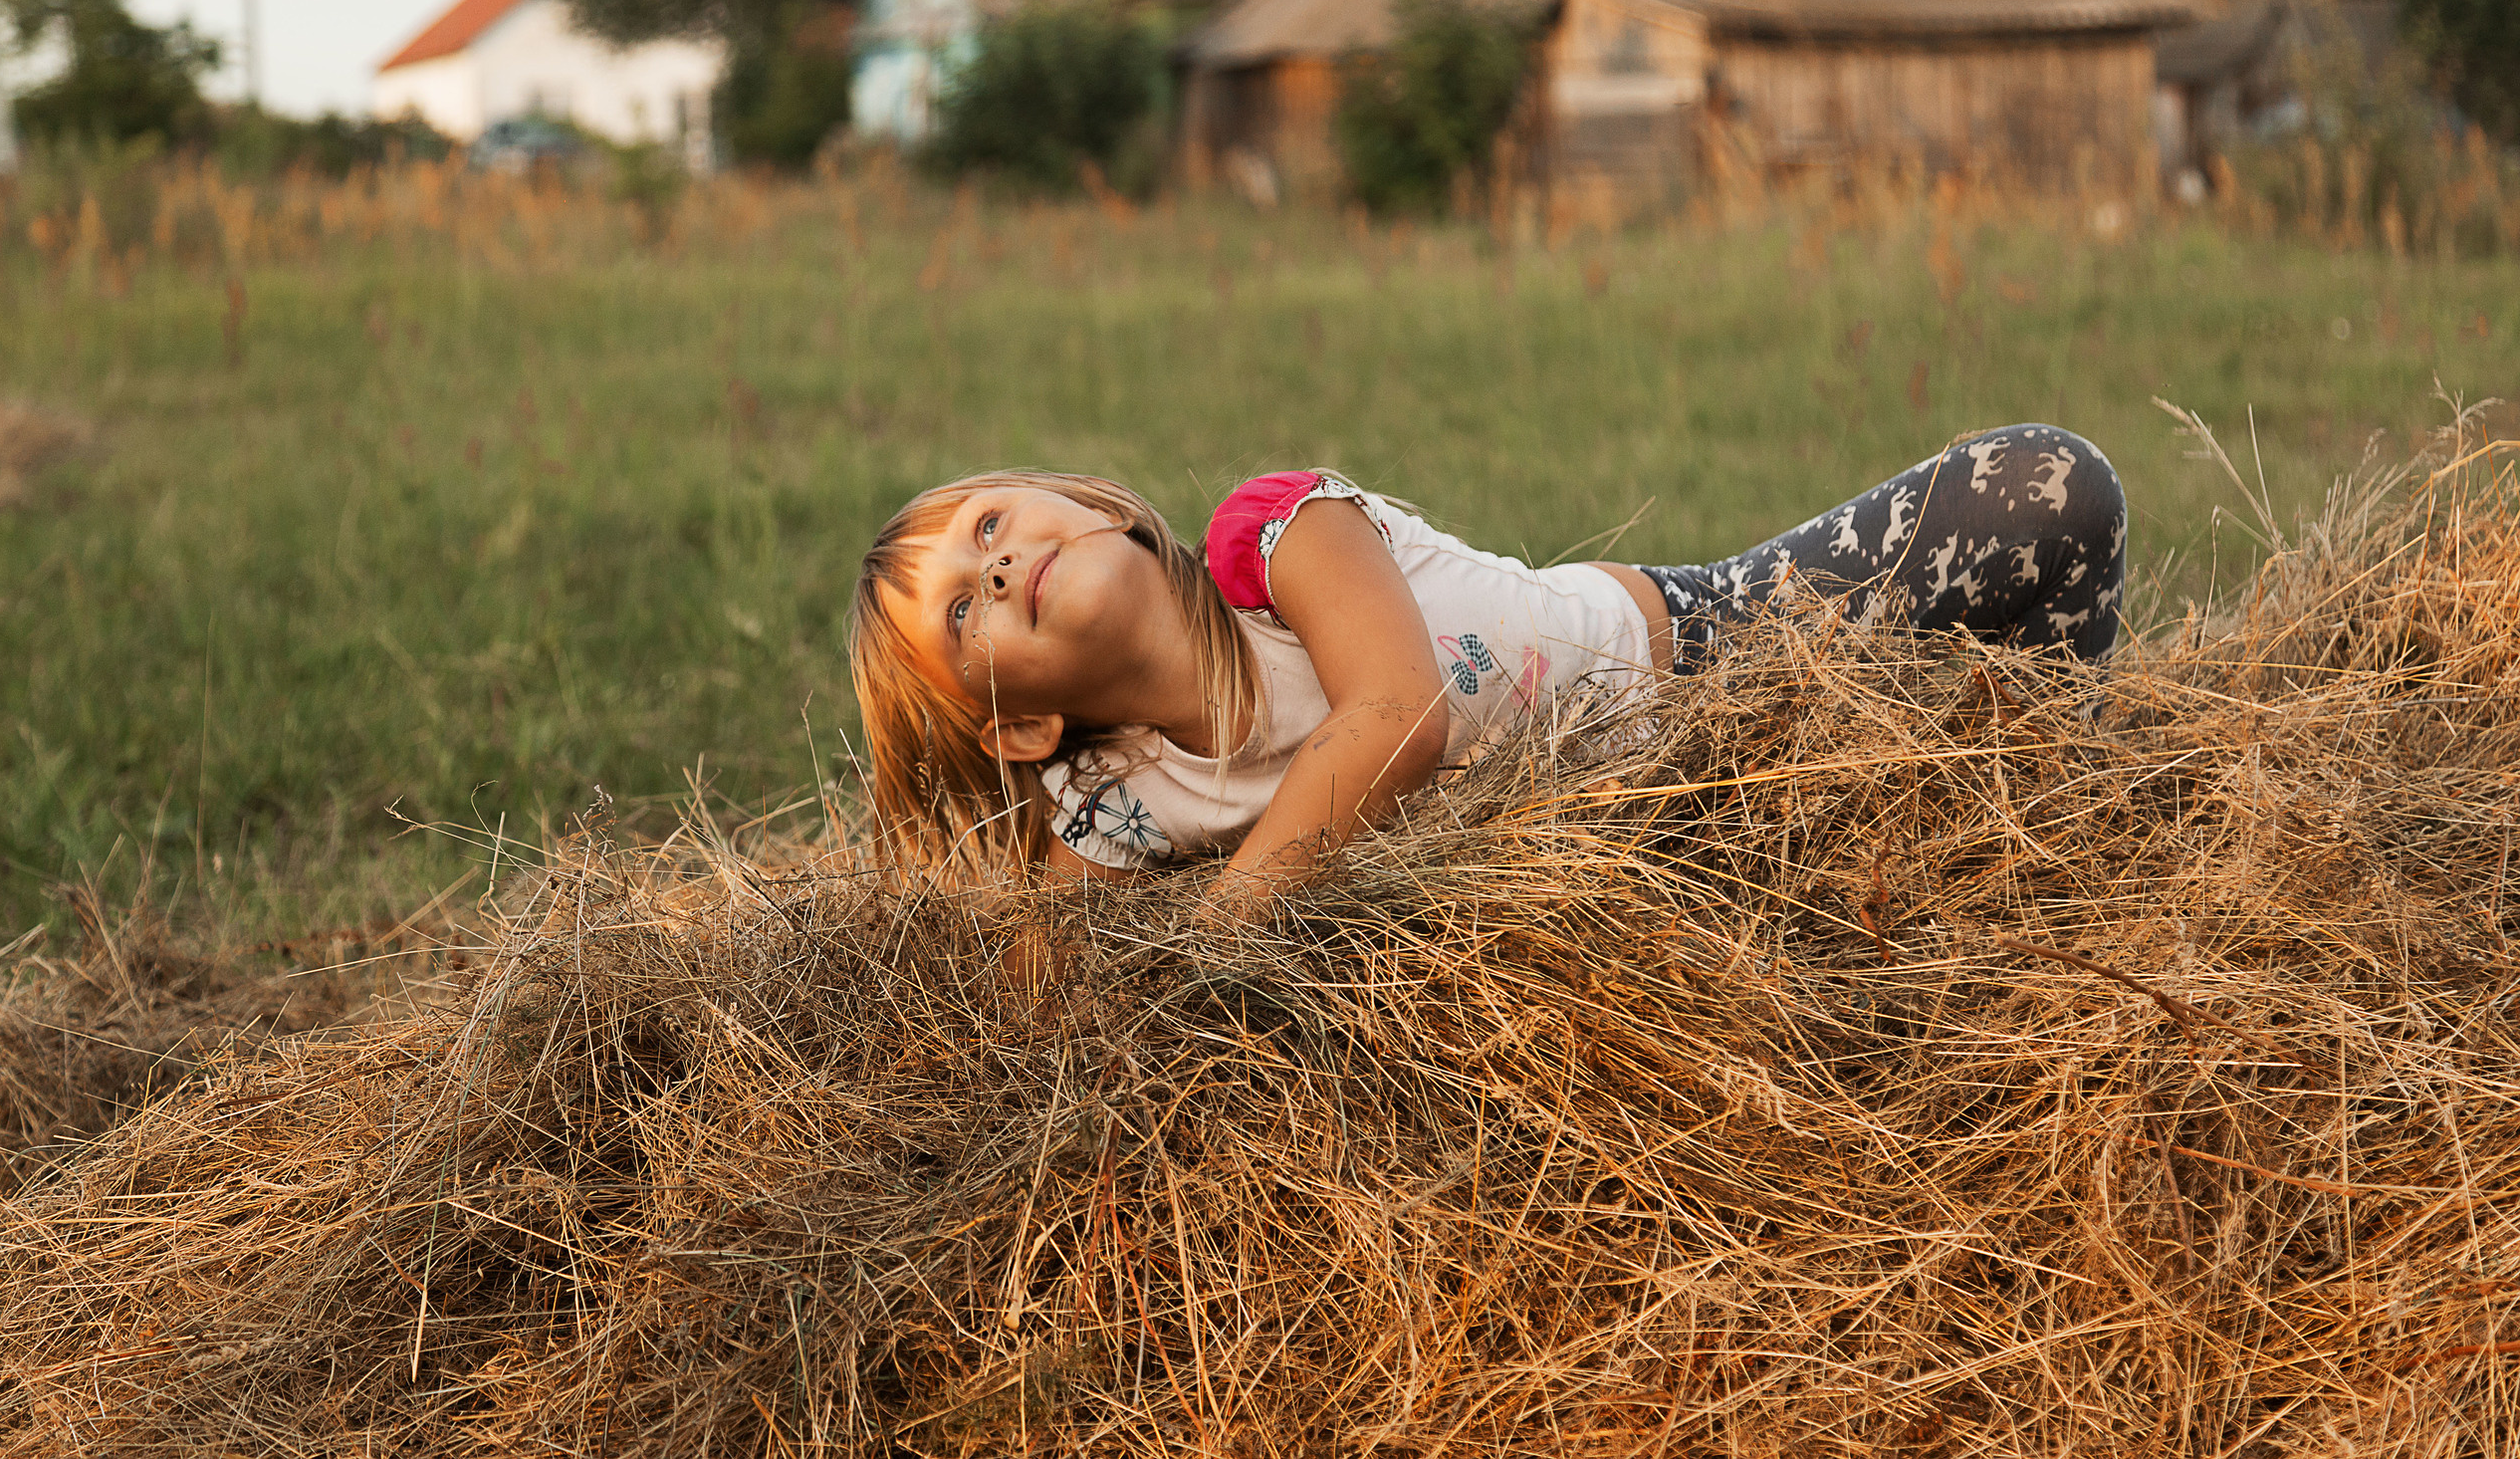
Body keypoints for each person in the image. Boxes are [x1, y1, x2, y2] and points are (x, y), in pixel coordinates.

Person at [850, 423, 2125, 927]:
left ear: (1089, 505)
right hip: (1652, 844)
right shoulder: (1119, 802)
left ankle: (2066, 819)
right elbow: (1047, 1006)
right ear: (1019, 729)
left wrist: (1224, 928)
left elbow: (1395, 720)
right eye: (960, 613)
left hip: (1714, 659)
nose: (995, 566)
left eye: (987, 525)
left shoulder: (1269, 539)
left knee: (2045, 488)